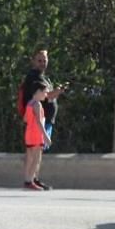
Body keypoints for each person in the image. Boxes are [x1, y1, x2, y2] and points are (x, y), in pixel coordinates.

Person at [19, 48, 65, 189]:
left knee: (37, 151)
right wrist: (57, 92)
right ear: (33, 61)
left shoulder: (43, 77)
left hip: (45, 120)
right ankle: (30, 180)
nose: (42, 63)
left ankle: (33, 178)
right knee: (35, 152)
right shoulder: (34, 77)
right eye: (39, 60)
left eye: (44, 60)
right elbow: (43, 96)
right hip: (38, 123)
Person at [24, 82, 54, 190]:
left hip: (29, 133)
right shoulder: (37, 104)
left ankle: (29, 179)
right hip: (36, 134)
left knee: (30, 158)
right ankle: (30, 181)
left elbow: (25, 119)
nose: (46, 94)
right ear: (38, 91)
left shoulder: (29, 103)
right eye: (44, 92)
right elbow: (39, 122)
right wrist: (46, 136)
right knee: (36, 159)